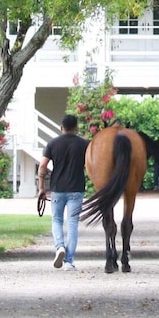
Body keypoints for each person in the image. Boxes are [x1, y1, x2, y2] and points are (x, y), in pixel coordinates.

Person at [38, 114, 89, 271]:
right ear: (76, 127)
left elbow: (42, 167)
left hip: (57, 189)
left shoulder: (52, 144)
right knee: (72, 223)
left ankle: (59, 247)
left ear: (62, 127)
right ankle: (69, 261)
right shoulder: (85, 144)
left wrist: (41, 188)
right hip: (76, 188)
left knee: (57, 220)